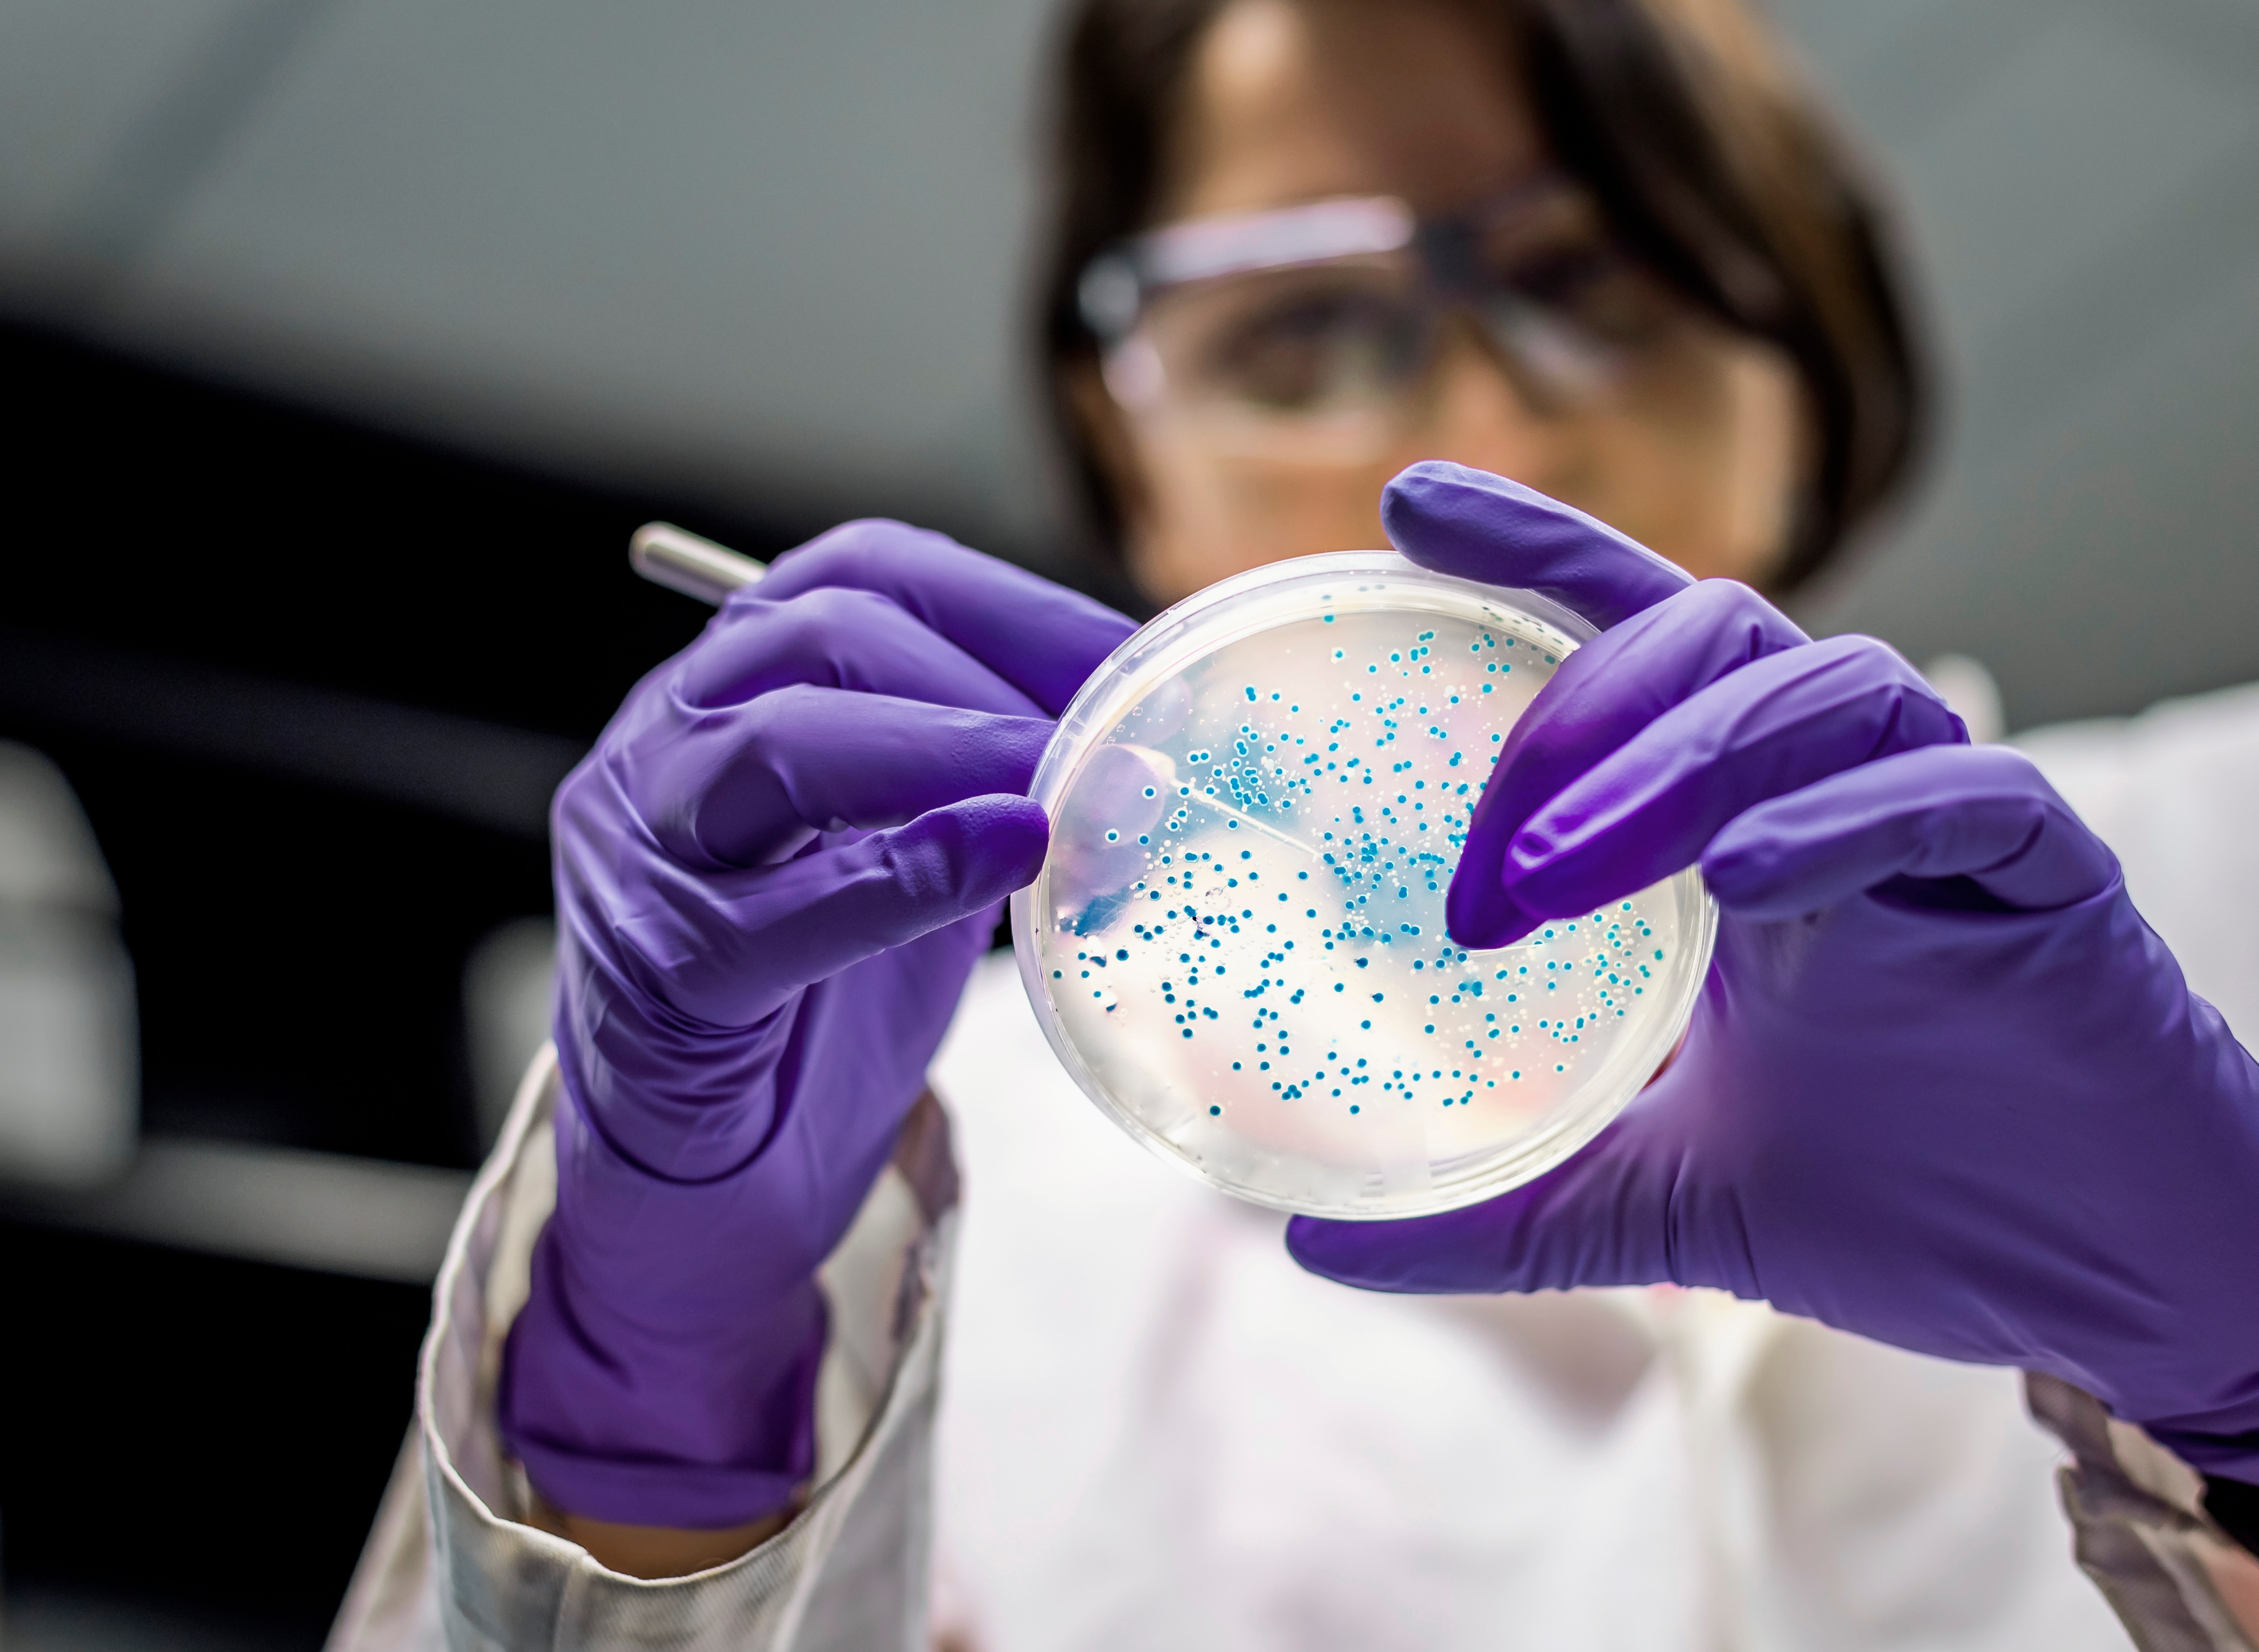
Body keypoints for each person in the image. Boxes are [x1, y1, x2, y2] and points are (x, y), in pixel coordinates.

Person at [328, 0, 2259, 1647]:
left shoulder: (2224, 869)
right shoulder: (946, 1147)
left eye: (1591, 281)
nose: (1475, 432)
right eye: (1291, 334)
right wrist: (653, 1410)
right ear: (1126, 452)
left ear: (1807, 367)